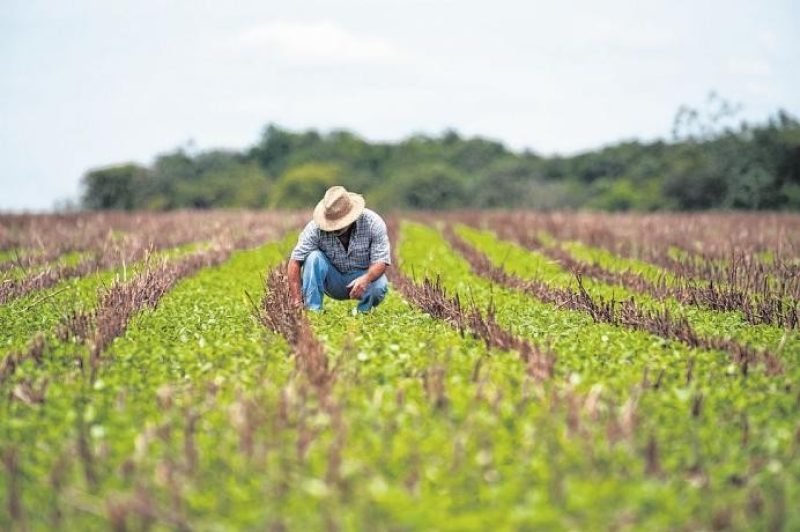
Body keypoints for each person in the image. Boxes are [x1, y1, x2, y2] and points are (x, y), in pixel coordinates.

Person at [288, 185, 390, 313]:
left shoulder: (373, 223)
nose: (335, 228)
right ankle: (313, 311)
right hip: (333, 280)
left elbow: (381, 261)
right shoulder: (314, 229)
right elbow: (295, 261)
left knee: (379, 286)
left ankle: (363, 313)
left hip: (363, 277)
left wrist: (365, 279)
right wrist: (297, 300)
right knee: (313, 257)